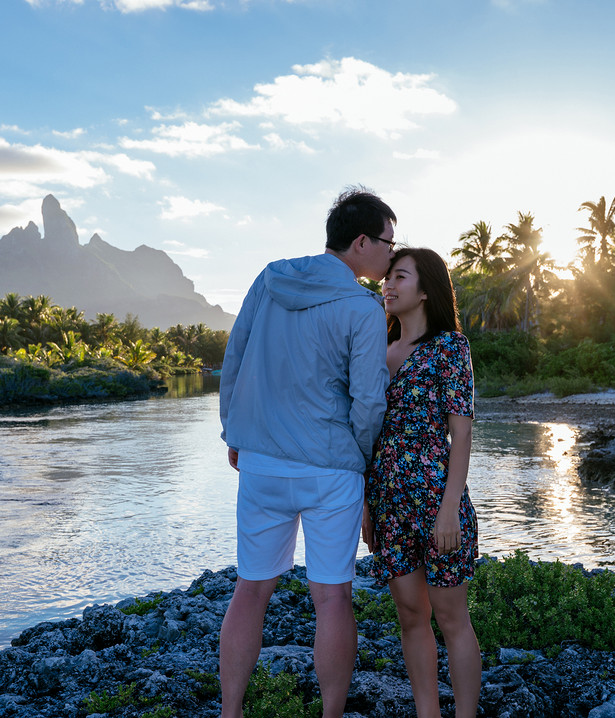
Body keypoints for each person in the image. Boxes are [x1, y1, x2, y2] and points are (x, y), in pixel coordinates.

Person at [218, 187, 397, 718]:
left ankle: (229, 713)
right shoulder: (363, 308)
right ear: (361, 241)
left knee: (250, 590)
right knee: (332, 597)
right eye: (389, 241)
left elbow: (236, 357)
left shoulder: (271, 278)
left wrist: (234, 432)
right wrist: (361, 460)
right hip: (330, 469)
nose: (393, 253)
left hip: (262, 462)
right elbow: (369, 400)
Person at [362, 247, 483, 718]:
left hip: (437, 502)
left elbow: (462, 431)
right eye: (387, 277)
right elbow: (366, 434)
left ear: (426, 289)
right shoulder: (374, 350)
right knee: (411, 617)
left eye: (400, 277)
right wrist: (367, 505)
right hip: (389, 505)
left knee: (452, 619)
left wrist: (450, 506)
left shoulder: (449, 348)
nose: (388, 285)